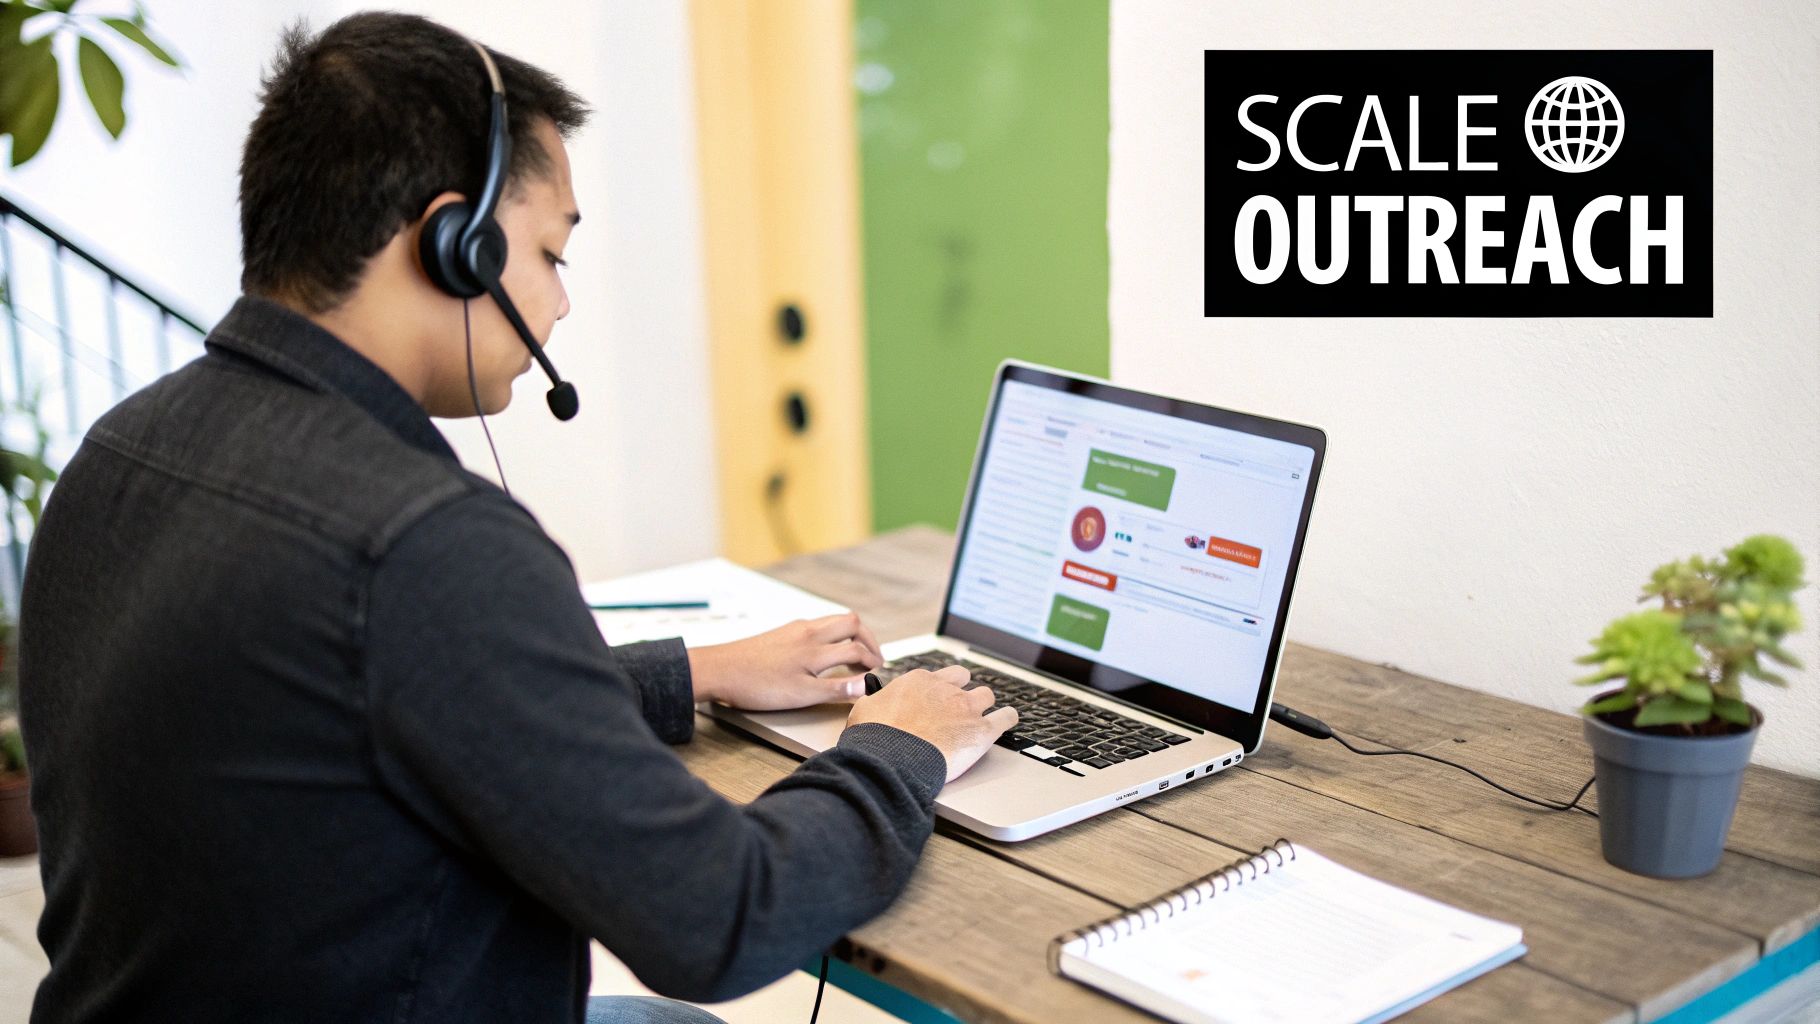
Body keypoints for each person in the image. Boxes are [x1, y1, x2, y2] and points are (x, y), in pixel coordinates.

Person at [18, 12, 1015, 1023]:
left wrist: (696, 672)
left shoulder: (121, 450)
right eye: (551, 254)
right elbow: (720, 918)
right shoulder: (421, 542)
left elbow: (385, 700)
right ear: (456, 245)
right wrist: (898, 745)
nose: (561, 304)